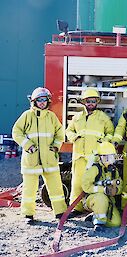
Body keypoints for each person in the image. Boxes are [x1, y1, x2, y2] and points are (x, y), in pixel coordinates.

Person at [12, 87, 67, 223]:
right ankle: (28, 215)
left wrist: (55, 146)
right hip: (31, 159)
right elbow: (16, 132)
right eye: (39, 100)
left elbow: (60, 134)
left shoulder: (51, 117)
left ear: (48, 101)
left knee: (56, 187)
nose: (42, 103)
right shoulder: (27, 116)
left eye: (44, 100)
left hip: (49, 159)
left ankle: (60, 213)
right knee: (29, 189)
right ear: (34, 101)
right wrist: (27, 145)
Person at [66, 87, 114, 216]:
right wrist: (74, 137)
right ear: (84, 102)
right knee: (76, 184)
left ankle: (94, 209)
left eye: (93, 101)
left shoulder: (103, 117)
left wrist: (103, 142)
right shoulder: (77, 117)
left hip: (95, 158)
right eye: (88, 101)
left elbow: (110, 133)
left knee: (94, 184)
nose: (90, 103)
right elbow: (68, 131)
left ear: (97, 102)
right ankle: (76, 208)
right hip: (79, 158)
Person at [82, 142, 123, 232]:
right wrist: (103, 190)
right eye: (105, 157)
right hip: (93, 198)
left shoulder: (113, 170)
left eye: (111, 157)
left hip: (108, 200)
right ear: (100, 157)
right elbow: (85, 186)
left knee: (115, 223)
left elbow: (120, 183)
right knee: (101, 198)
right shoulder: (95, 169)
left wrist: (116, 190)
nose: (108, 160)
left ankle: (95, 215)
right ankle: (99, 223)